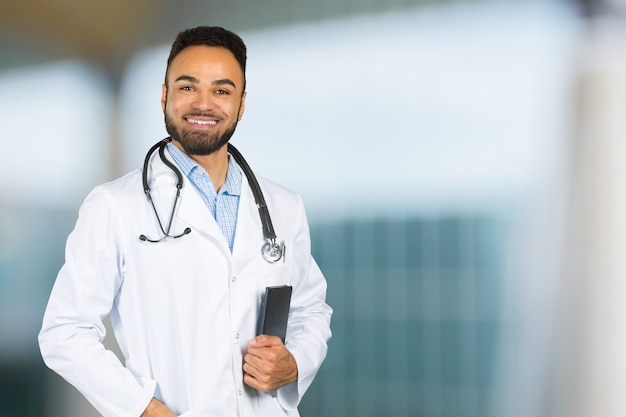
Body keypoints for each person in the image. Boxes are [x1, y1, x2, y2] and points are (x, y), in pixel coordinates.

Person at [38, 26, 332, 417]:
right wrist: (143, 408)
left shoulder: (283, 206)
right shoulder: (114, 206)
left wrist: (293, 362)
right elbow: (65, 331)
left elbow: (311, 311)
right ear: (164, 96)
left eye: (222, 91)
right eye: (188, 87)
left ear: (242, 104)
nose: (204, 104)